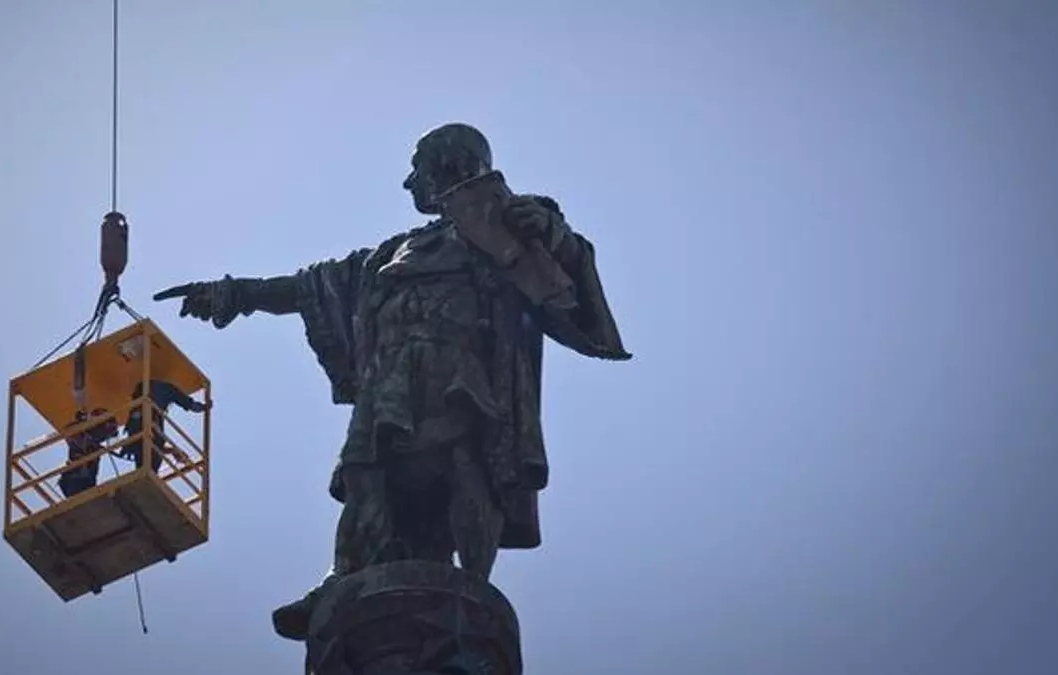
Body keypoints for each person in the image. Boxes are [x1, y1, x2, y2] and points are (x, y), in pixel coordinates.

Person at [154, 122, 630, 640]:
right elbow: (311, 287)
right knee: (365, 474)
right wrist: (234, 294)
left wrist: (555, 237)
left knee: (466, 467)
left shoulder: (503, 222)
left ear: (449, 163)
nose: (409, 181)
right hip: (391, 383)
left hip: (462, 374)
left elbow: (562, 273)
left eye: (416, 166)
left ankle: (469, 585)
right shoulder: (392, 252)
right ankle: (344, 576)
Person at [120, 379, 207, 473]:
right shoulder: (164, 390)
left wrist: (173, 451)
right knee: (149, 456)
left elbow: (152, 445)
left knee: (147, 455)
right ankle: (146, 475)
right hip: (145, 424)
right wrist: (204, 407)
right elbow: (190, 404)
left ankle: (145, 475)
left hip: (139, 431)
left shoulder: (141, 414)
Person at [57, 408, 118, 499]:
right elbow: (70, 433)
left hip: (84, 481)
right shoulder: (82, 437)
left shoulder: (93, 443)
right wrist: (83, 421)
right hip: (75, 480)